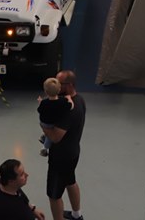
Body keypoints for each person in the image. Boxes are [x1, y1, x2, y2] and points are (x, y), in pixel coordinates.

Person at [43, 70, 86, 220]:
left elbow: (55, 137)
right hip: (73, 152)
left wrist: (44, 125)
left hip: (61, 157)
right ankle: (76, 215)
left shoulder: (68, 111)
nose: (55, 85)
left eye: (58, 83)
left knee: (54, 194)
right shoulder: (79, 100)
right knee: (70, 181)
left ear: (69, 85)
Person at [38, 77, 73, 158]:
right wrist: (69, 99)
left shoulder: (44, 102)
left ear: (45, 91)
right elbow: (71, 106)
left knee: (47, 131)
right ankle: (45, 148)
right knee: (50, 136)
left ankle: (44, 136)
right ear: (59, 90)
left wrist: (40, 103)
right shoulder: (62, 102)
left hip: (43, 122)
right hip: (52, 124)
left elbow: (39, 110)